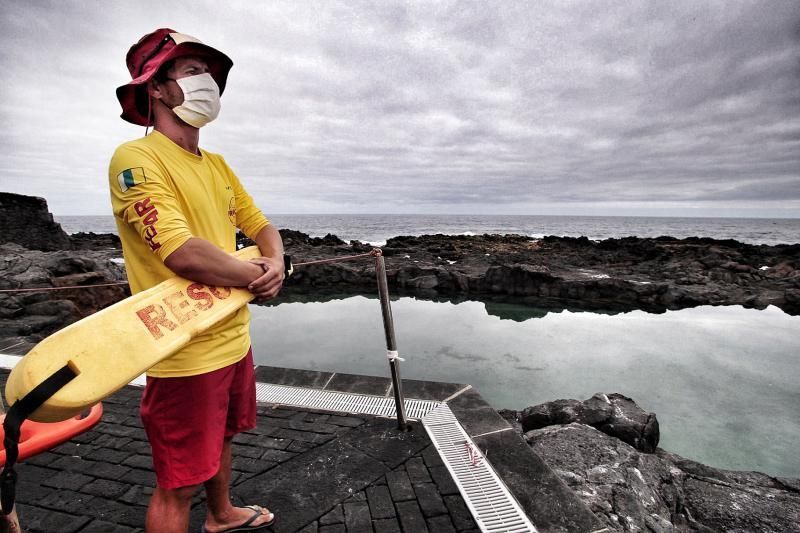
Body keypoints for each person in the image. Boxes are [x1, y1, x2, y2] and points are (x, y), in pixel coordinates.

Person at [109, 28, 283, 532]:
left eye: (207, 72)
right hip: (183, 349)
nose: (205, 81)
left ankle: (223, 514)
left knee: (225, 438)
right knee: (178, 482)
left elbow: (260, 225)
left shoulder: (218, 164)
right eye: (190, 71)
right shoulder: (136, 159)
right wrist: (260, 274)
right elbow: (183, 252)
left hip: (232, 336)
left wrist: (275, 262)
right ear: (156, 88)